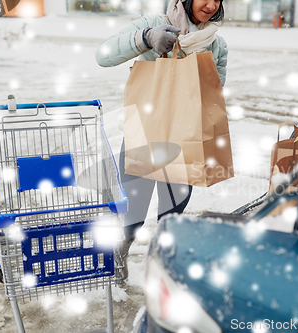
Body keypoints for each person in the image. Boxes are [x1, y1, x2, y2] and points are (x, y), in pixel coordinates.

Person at [95, 0, 228, 280]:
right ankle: (118, 259)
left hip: (185, 137)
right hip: (144, 131)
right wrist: (145, 39)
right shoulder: (153, 22)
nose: (212, 4)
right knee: (131, 215)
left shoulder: (216, 44)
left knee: (172, 217)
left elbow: (215, 94)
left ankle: (162, 273)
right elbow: (103, 54)